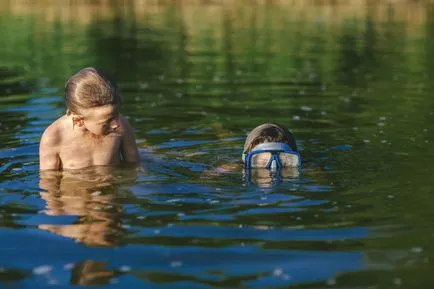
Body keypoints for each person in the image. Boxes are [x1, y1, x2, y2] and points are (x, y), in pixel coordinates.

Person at [39, 67, 140, 170]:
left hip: (110, 184)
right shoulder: (54, 137)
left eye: (117, 114)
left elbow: (134, 166)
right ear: (78, 121)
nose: (116, 124)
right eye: (107, 121)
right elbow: (49, 180)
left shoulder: (122, 125)